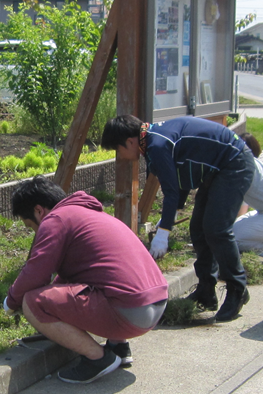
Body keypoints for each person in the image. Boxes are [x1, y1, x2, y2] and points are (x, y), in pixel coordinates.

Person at [4, 176, 168, 384]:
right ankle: (118, 347)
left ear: (39, 211)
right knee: (105, 279)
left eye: (31, 226)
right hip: (155, 302)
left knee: (32, 301)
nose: (35, 232)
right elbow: (77, 277)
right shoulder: (89, 214)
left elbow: (36, 272)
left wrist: (11, 302)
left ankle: (98, 359)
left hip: (129, 311)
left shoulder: (55, 220)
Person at [101, 115, 255, 322]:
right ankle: (206, 291)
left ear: (129, 141)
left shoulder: (157, 145)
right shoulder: (152, 139)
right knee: (199, 229)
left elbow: (171, 191)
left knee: (217, 228)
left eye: (117, 150)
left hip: (233, 163)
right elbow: (178, 179)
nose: (120, 156)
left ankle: (238, 289)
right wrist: (168, 217)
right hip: (217, 169)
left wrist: (164, 233)